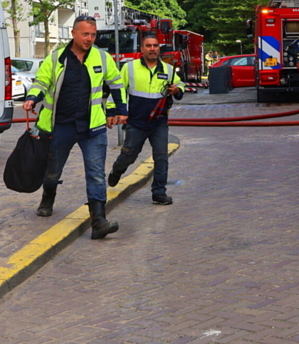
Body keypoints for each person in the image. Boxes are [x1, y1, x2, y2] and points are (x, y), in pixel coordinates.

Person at [23, 15, 127, 239]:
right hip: (60, 126)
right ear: (73, 34)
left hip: (93, 127)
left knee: (96, 174)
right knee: (53, 171)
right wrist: (32, 98)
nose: (89, 38)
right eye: (85, 34)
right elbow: (41, 82)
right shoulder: (56, 58)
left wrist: (120, 110)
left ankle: (99, 221)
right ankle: (48, 197)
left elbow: (116, 83)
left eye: (93, 34)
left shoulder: (102, 57)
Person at [107, 34, 185, 204]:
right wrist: (113, 111)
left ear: (159, 49)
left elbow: (180, 85)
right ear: (142, 49)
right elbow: (118, 90)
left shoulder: (168, 70)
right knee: (129, 155)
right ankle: (116, 171)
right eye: (148, 46)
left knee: (161, 157)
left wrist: (176, 90)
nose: (152, 49)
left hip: (159, 122)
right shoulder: (129, 68)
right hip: (136, 122)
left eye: (155, 46)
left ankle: (159, 193)